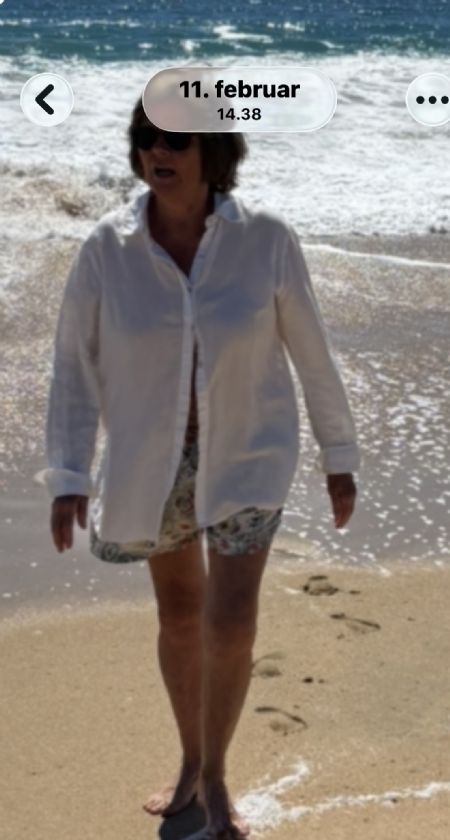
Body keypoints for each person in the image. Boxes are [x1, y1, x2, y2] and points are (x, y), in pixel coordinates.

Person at [36, 96, 360, 840]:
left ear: (213, 151)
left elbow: (312, 350)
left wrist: (338, 457)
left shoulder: (266, 240)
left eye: (176, 138)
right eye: (147, 136)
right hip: (155, 463)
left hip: (249, 453)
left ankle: (216, 775)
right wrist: (68, 474)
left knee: (231, 620)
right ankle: (190, 759)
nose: (159, 149)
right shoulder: (107, 248)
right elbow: (73, 364)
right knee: (181, 615)